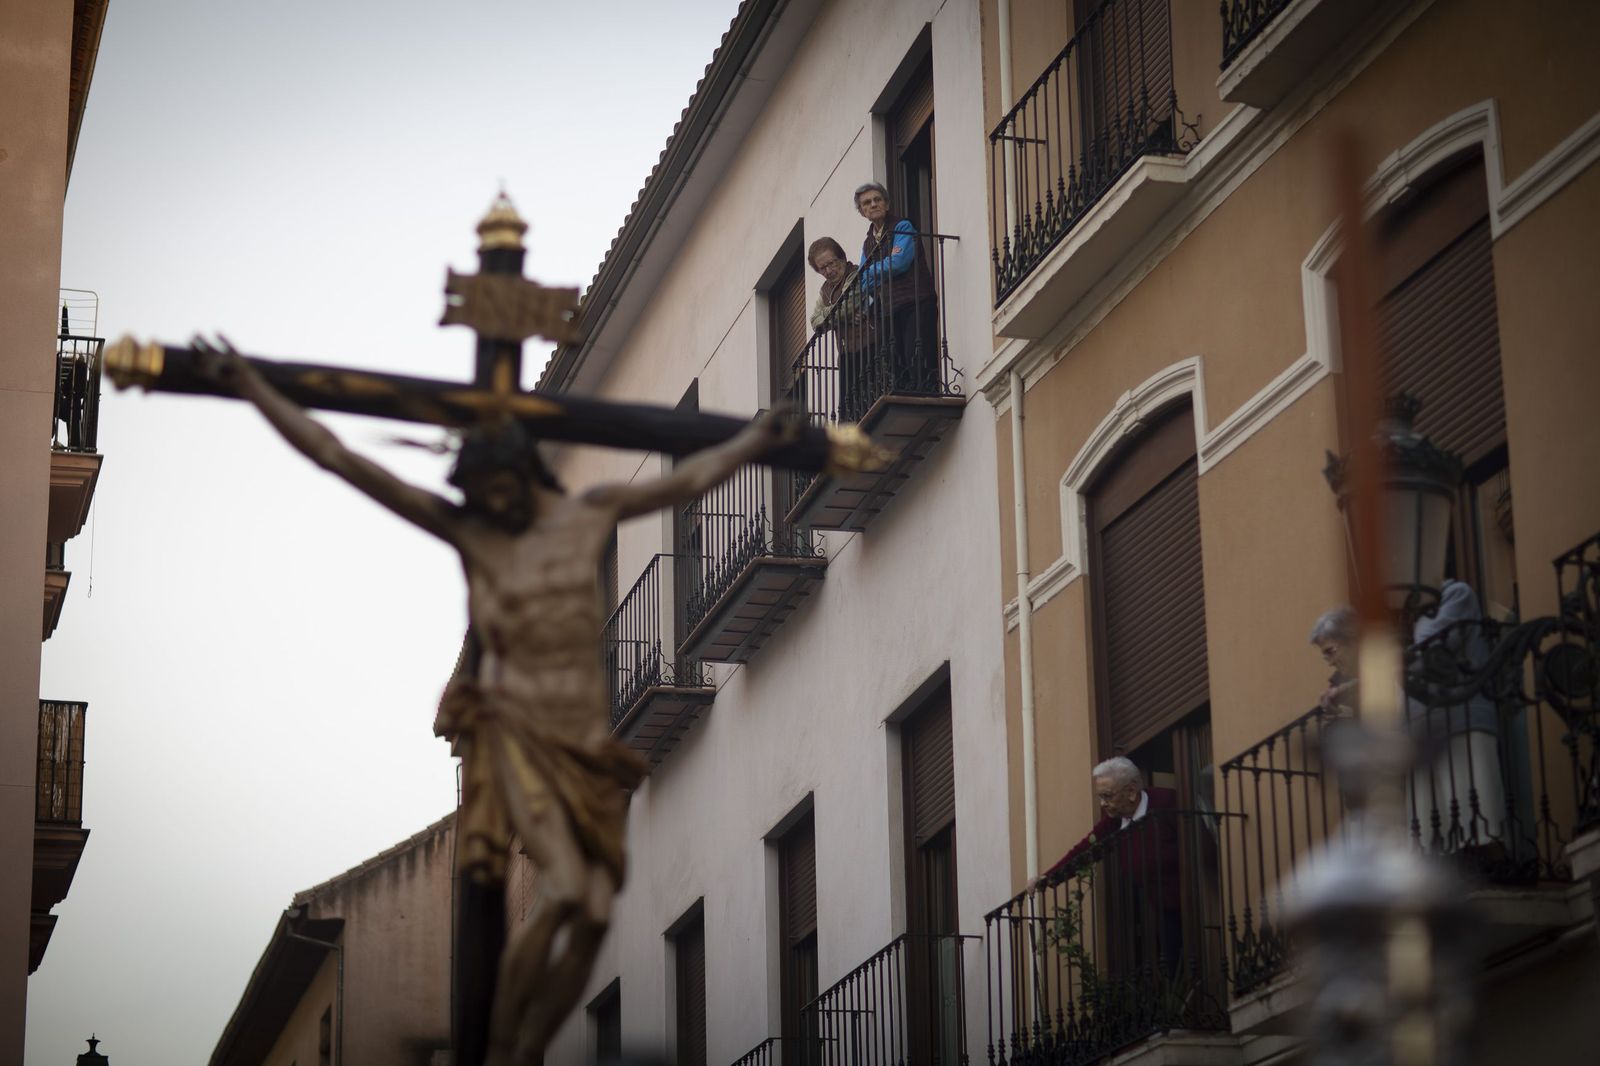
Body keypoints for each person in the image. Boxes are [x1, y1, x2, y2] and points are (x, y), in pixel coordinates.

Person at [207, 341, 799, 1066]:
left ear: (518, 476)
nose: (485, 503)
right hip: (520, 737)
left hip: (584, 742)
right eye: (476, 492)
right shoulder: (473, 535)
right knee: (566, 894)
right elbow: (342, 459)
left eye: (492, 487)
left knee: (592, 911)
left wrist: (750, 443)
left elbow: (686, 480)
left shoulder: (589, 515)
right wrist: (256, 389)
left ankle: (522, 1045)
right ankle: (503, 1052)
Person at [1036, 757, 1183, 977]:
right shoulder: (1114, 820)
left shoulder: (1166, 802)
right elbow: (1086, 849)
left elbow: (1200, 843)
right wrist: (1049, 877)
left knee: (1177, 964)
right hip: (1153, 907)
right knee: (1166, 965)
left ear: (1131, 792)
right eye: (1100, 797)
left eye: (1107, 796)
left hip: (1186, 904)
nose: (1103, 804)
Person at [1407, 579, 1509, 855]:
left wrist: (1414, 620)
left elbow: (1431, 644)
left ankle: (1489, 862)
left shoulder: (1455, 593)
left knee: (1478, 813)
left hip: (1465, 718)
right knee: (1435, 828)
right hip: (1423, 731)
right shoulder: (1405, 615)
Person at [853, 182, 940, 401]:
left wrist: (870, 271)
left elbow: (899, 262)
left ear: (887, 203)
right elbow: (863, 282)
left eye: (877, 199)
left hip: (916, 300)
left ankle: (925, 395)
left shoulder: (902, 226)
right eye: (867, 203)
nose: (873, 204)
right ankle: (906, 396)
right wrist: (871, 279)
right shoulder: (867, 243)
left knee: (915, 353)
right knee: (895, 358)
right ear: (862, 212)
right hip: (890, 308)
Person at [805, 237, 872, 421]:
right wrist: (842, 315)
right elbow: (815, 322)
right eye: (822, 268)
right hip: (846, 353)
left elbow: (848, 306)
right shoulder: (824, 290)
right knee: (847, 411)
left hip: (871, 343)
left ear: (841, 257)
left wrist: (835, 313)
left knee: (869, 399)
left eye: (831, 263)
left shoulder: (855, 274)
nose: (828, 271)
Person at [1309, 606, 1360, 717]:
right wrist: (1337, 712)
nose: (1330, 663)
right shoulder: (1338, 680)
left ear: (1352, 642)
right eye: (1326, 656)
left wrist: (1342, 689)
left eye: (1330, 652)